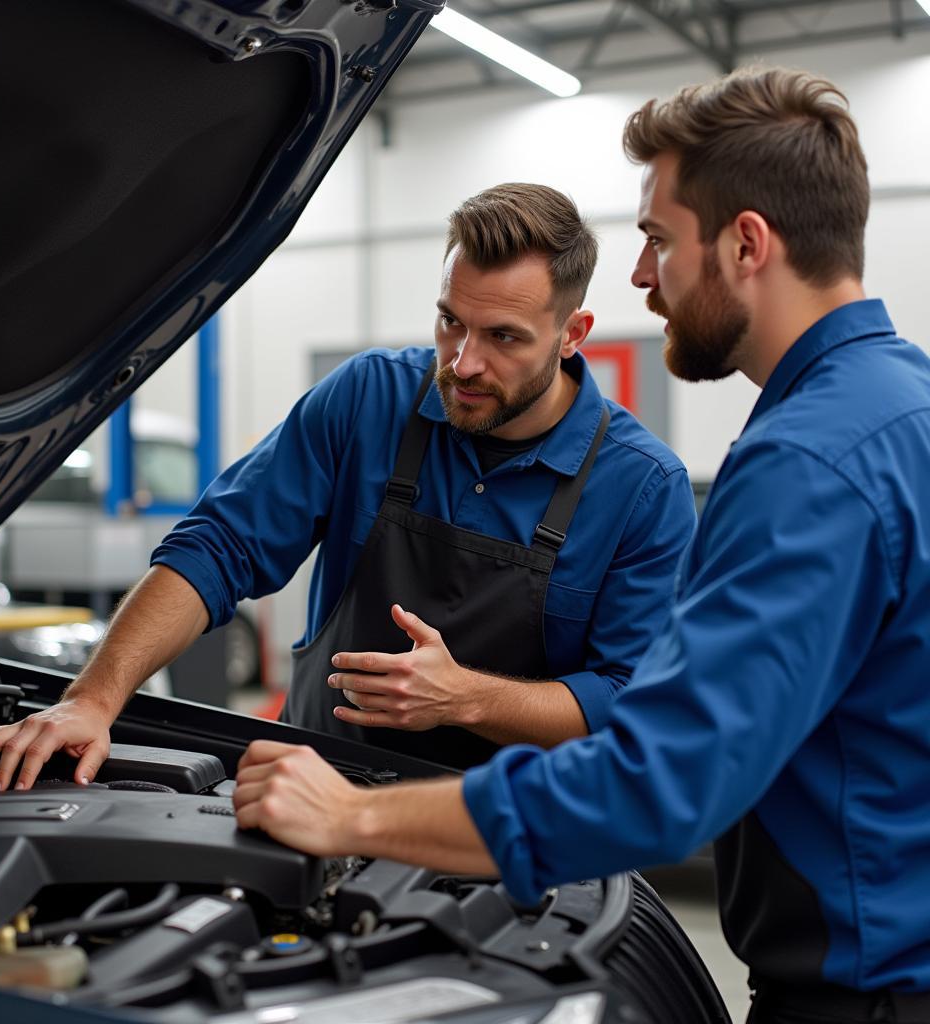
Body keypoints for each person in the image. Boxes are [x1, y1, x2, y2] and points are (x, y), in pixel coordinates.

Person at [227, 68, 930, 1023]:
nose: (644, 276)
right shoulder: (905, 411)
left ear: (747, 244)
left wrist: (351, 814)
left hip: (869, 992)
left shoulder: (806, 463)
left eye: (657, 239)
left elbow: (657, 782)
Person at [0, 183, 695, 786]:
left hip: (508, 835)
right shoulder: (370, 399)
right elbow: (219, 546)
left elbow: (630, 697)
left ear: (573, 333)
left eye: (503, 337)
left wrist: (465, 698)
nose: (463, 363)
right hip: (315, 786)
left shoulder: (640, 488)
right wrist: (93, 698)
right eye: (449, 323)